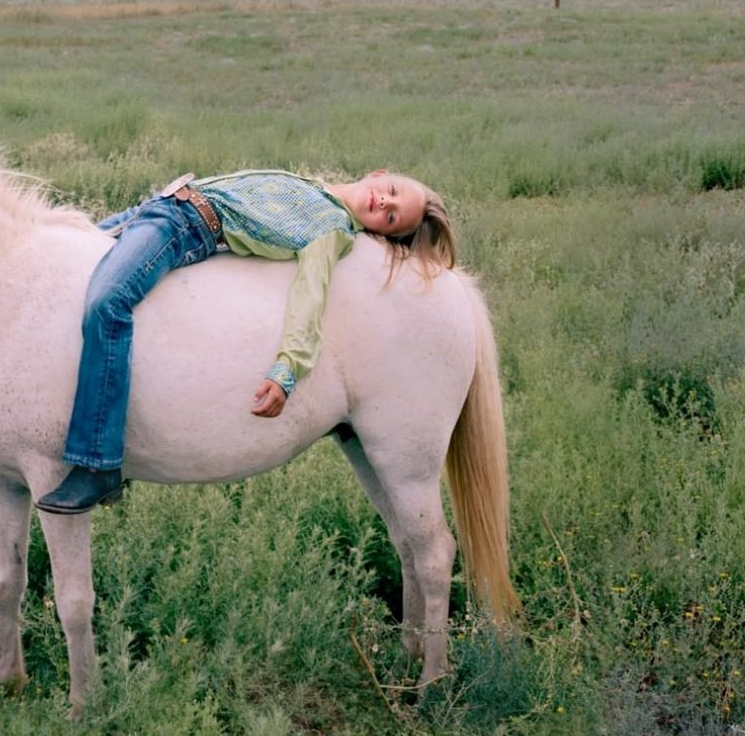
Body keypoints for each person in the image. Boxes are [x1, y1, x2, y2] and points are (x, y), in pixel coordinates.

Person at [36, 167, 456, 515]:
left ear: (381, 233)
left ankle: (98, 463)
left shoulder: (331, 230)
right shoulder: (315, 189)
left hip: (184, 226)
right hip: (161, 203)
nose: (385, 203)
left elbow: (310, 299)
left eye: (392, 218)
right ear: (378, 175)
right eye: (392, 192)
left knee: (108, 301)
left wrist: (286, 371)